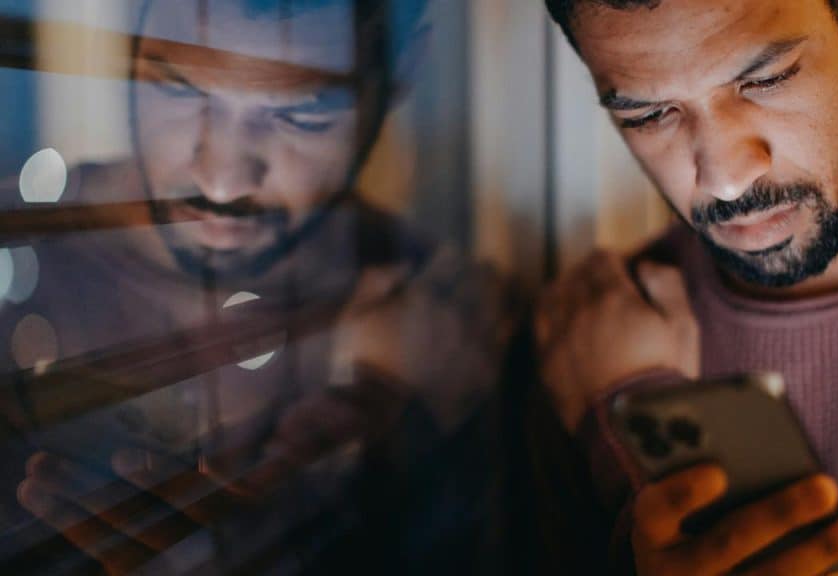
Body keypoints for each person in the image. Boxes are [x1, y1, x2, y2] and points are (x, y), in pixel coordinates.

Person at [0, 0, 509, 574]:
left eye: (302, 115)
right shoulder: (17, 252)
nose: (222, 180)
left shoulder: (446, 334)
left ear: (402, 71)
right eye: (180, 91)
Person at [528, 0, 838, 574]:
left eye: (765, 79)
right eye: (649, 115)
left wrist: (627, 428)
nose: (727, 179)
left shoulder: (604, 376)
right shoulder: (590, 330)